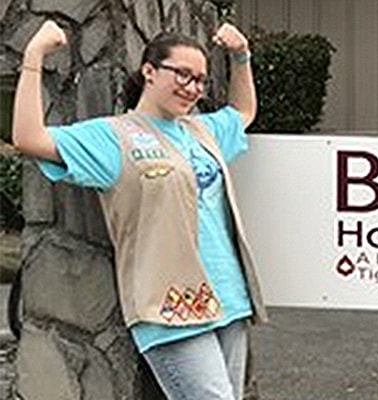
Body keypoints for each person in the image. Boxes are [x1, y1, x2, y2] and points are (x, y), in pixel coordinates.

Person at [12, 20, 268, 400]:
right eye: (182, 74)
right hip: (170, 310)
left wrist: (241, 56)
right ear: (149, 70)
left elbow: (243, 112)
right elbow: (29, 137)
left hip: (230, 299)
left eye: (199, 80)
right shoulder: (113, 136)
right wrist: (34, 55)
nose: (192, 87)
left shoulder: (201, 130)